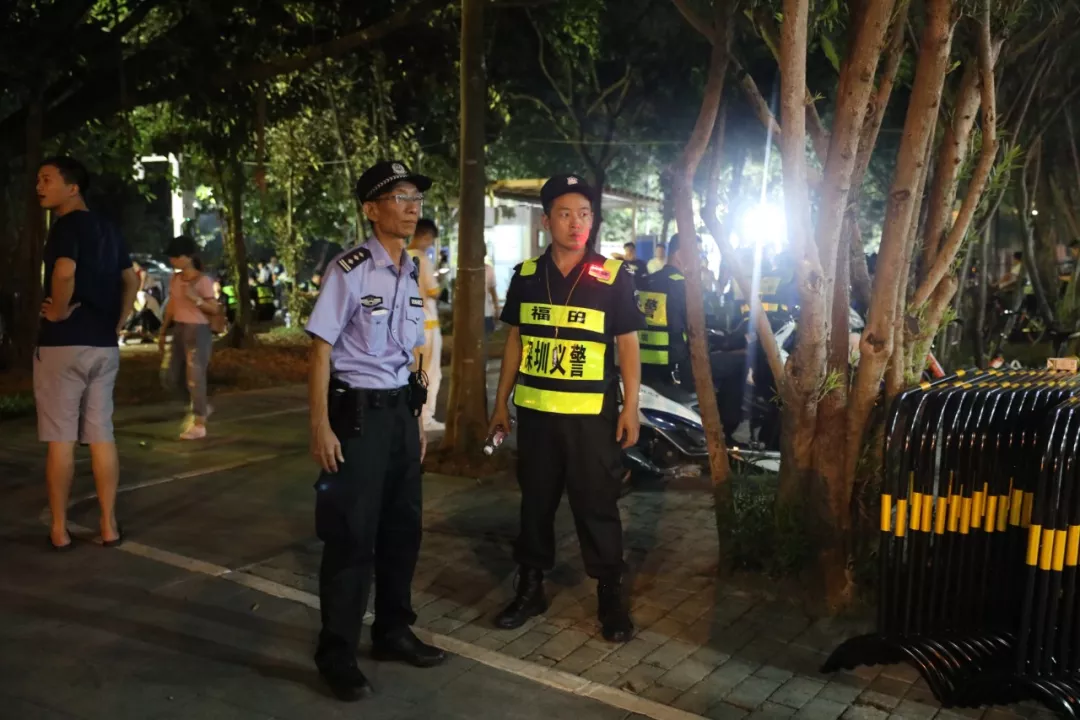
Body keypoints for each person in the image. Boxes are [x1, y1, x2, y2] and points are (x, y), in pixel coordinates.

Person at [306, 160, 445, 702]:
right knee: (351, 536)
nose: (411, 208)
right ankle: (336, 652)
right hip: (356, 416)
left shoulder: (410, 270)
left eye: (415, 198)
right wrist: (320, 424)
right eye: (399, 198)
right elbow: (320, 350)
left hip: (399, 418)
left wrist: (416, 418)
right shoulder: (350, 269)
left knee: (402, 529)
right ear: (371, 209)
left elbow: (411, 354)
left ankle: (392, 630)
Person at [487, 174, 643, 643]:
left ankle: (610, 595)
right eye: (566, 214)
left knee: (597, 504)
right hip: (536, 417)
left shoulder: (612, 276)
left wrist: (631, 407)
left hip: (591, 419)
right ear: (546, 221)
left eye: (585, 214)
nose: (577, 223)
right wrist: (500, 403)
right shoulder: (527, 276)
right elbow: (515, 340)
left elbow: (628, 345)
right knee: (535, 504)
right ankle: (530, 587)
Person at [34, 156, 139, 550]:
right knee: (101, 435)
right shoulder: (109, 229)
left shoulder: (65, 226)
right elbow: (130, 280)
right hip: (103, 345)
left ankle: (60, 529)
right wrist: (118, 322)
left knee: (61, 438)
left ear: (73, 187)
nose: (39, 187)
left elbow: (64, 271)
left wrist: (59, 311)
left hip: (63, 345)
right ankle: (108, 525)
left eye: (47, 179)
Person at [159, 236, 221, 440]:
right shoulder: (175, 279)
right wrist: (163, 330)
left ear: (188, 257)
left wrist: (196, 299)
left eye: (175, 257)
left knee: (195, 377)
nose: (172, 261)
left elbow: (214, 309)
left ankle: (199, 422)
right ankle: (199, 404)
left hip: (198, 331)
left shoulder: (203, 281)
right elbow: (171, 306)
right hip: (179, 329)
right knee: (169, 376)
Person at [637, 233, 691, 391]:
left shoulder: (645, 281)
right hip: (672, 366)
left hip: (641, 365)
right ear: (680, 255)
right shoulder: (683, 285)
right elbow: (696, 327)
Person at [406, 218, 444, 431]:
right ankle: (426, 419)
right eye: (430, 240)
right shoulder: (422, 260)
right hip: (427, 325)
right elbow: (433, 291)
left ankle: (411, 417)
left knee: (410, 372)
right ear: (426, 236)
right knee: (430, 373)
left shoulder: (401, 257)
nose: (430, 245)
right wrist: (441, 281)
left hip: (407, 325)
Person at [484, 259, 500, 337]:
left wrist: (497, 309)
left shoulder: (488, 269)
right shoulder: (466, 270)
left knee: (488, 340)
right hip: (469, 316)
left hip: (486, 314)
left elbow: (493, 292)